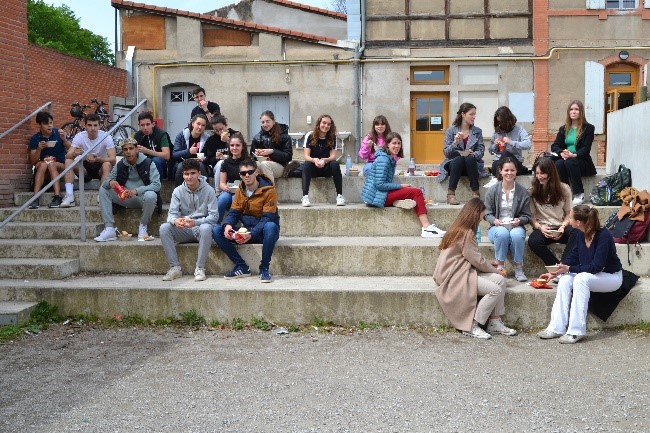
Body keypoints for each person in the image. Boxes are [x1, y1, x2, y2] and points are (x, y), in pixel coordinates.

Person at [537, 204, 623, 343]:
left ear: (578, 222)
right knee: (565, 280)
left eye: (570, 217)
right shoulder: (579, 233)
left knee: (580, 279)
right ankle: (556, 328)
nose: (568, 219)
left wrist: (569, 269)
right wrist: (557, 271)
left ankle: (576, 331)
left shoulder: (603, 235)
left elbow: (596, 267)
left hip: (611, 277)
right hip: (592, 274)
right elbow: (574, 256)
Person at [434, 198, 517, 340]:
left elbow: (471, 257)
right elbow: (476, 260)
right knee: (495, 289)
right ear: (475, 214)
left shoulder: (458, 229)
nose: (481, 220)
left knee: (500, 280)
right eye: (481, 216)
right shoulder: (467, 233)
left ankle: (494, 322)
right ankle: (472, 325)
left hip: (460, 271)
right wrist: (495, 269)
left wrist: (490, 266)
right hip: (455, 276)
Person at [360, 132, 445, 238]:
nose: (397, 146)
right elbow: (380, 184)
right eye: (394, 143)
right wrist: (400, 186)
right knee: (417, 192)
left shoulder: (388, 158)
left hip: (378, 195)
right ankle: (426, 228)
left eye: (399, 143)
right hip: (376, 197)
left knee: (411, 192)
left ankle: (398, 202)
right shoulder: (384, 160)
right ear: (387, 145)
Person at [212, 160, 280, 283]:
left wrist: (251, 234)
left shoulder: (269, 191)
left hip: (264, 232)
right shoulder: (240, 190)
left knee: (271, 226)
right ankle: (241, 266)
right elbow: (234, 212)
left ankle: (264, 268)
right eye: (243, 173)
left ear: (256, 172)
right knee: (216, 230)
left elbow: (267, 218)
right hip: (246, 231)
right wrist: (228, 225)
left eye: (250, 172)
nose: (247, 175)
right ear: (240, 175)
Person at [160, 159, 218, 282]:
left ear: (199, 173)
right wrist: (176, 221)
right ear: (182, 175)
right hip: (184, 229)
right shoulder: (177, 191)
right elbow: (171, 215)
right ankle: (175, 268)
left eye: (193, 173)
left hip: (200, 229)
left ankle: (200, 268)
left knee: (206, 228)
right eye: (186, 174)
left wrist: (196, 222)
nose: (189, 177)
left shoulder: (209, 190)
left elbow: (214, 217)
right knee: (164, 228)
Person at [94, 138, 161, 242]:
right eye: (125, 149)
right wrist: (110, 182)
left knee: (151, 195)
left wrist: (137, 190)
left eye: (131, 148)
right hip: (125, 197)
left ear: (137, 150)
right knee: (104, 189)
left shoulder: (148, 163)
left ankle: (143, 227)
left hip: (143, 197)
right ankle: (109, 228)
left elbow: (156, 185)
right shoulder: (120, 164)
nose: (128, 152)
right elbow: (107, 181)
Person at [484, 157, 532, 282]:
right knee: (502, 233)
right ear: (500, 171)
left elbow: (527, 216)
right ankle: (499, 266)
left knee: (517, 235)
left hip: (515, 226)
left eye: (512, 170)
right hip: (497, 226)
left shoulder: (522, 192)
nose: (509, 173)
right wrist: (494, 220)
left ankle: (518, 268)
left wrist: (519, 221)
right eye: (506, 170)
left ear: (516, 172)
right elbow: (487, 213)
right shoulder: (492, 190)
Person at [61, 113, 116, 208]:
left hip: (100, 166)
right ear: (85, 126)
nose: (93, 128)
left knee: (107, 164)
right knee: (69, 161)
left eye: (95, 125)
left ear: (99, 125)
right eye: (90, 125)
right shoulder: (80, 136)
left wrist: (98, 159)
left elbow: (113, 159)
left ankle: (102, 195)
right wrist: (75, 154)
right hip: (84, 168)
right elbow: (68, 156)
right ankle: (69, 195)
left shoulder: (106, 136)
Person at [528, 157, 575, 266]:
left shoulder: (564, 189)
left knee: (577, 234)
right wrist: (540, 227)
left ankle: (564, 264)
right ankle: (555, 266)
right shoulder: (532, 191)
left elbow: (569, 214)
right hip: (544, 228)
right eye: (537, 173)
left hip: (561, 227)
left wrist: (563, 227)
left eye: (542, 173)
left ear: (551, 173)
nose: (539, 176)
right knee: (533, 242)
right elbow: (532, 217)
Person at [551, 100, 597, 205]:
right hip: (567, 159)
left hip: (581, 161)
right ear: (568, 112)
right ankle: (565, 193)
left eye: (576, 109)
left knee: (570, 162)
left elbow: (586, 148)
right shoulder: (563, 129)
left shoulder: (588, 128)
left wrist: (574, 155)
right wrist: (561, 152)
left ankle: (579, 193)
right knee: (559, 163)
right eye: (571, 109)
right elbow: (555, 145)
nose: (573, 112)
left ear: (581, 112)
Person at [438, 102, 485, 205]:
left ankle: (475, 193)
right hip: (454, 166)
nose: (474, 117)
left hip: (471, 165)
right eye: (471, 114)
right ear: (463, 114)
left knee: (469, 158)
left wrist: (473, 154)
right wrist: (455, 143)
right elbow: (447, 153)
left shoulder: (477, 131)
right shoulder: (451, 131)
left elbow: (481, 151)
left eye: (474, 114)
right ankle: (451, 194)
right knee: (458, 159)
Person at [301, 114, 345, 207]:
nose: (326, 126)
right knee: (306, 164)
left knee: (335, 164)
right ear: (319, 123)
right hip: (313, 168)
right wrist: (314, 160)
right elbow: (306, 156)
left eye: (328, 124)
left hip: (326, 168)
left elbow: (333, 156)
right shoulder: (310, 135)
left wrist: (325, 160)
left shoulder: (332, 137)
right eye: (324, 123)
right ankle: (305, 196)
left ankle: (339, 196)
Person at [28, 112, 69, 208]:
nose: (50, 126)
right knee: (43, 164)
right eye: (46, 124)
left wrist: (64, 139)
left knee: (51, 164)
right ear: (40, 125)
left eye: (51, 123)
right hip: (44, 167)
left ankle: (57, 196)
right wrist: (39, 149)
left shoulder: (59, 133)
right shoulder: (35, 138)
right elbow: (33, 162)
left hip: (59, 165)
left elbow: (72, 149)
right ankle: (35, 198)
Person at [249, 110, 293, 184]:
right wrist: (257, 155)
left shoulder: (284, 136)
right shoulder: (257, 137)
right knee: (251, 165)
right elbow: (252, 156)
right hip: (263, 164)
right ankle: (253, 192)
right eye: (263, 122)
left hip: (280, 166)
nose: (265, 124)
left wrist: (272, 151)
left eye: (267, 121)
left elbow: (288, 157)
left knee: (265, 164)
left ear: (274, 121)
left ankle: (269, 193)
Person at [488, 106, 531, 177]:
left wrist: (511, 142)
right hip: (499, 161)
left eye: (501, 122)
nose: (500, 125)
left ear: (507, 120)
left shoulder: (519, 130)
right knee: (495, 166)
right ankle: (499, 183)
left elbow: (528, 144)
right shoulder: (497, 132)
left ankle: (499, 181)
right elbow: (490, 151)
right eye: (498, 122)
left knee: (505, 153)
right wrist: (495, 145)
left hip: (515, 161)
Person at [215, 133, 249, 223]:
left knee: (235, 199)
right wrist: (225, 187)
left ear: (243, 147)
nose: (234, 148)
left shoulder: (248, 162)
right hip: (229, 189)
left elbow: (252, 181)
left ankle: (232, 226)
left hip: (243, 190)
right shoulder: (226, 162)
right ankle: (216, 224)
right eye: (232, 145)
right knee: (222, 199)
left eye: (237, 145)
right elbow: (222, 183)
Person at [171, 114, 211, 187]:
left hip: (199, 162)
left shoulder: (207, 138)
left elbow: (209, 156)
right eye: (198, 124)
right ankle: (178, 192)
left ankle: (206, 191)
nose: (200, 127)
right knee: (181, 167)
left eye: (203, 125)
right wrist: (188, 151)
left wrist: (203, 159)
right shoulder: (181, 135)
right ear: (192, 123)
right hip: (183, 161)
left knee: (201, 166)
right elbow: (175, 154)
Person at [134, 112, 171, 180]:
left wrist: (147, 151)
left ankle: (157, 187)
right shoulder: (137, 136)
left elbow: (167, 156)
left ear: (153, 124)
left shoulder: (161, 134)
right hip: (144, 163)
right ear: (139, 125)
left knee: (155, 160)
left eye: (148, 124)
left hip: (161, 165)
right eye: (142, 125)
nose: (145, 128)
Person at [203, 114, 239, 181]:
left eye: (221, 129)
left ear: (225, 125)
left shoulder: (236, 135)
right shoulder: (211, 140)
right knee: (221, 163)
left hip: (235, 163)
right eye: (216, 130)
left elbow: (243, 151)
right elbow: (207, 158)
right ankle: (218, 191)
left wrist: (228, 141)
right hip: (218, 166)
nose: (219, 132)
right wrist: (215, 158)